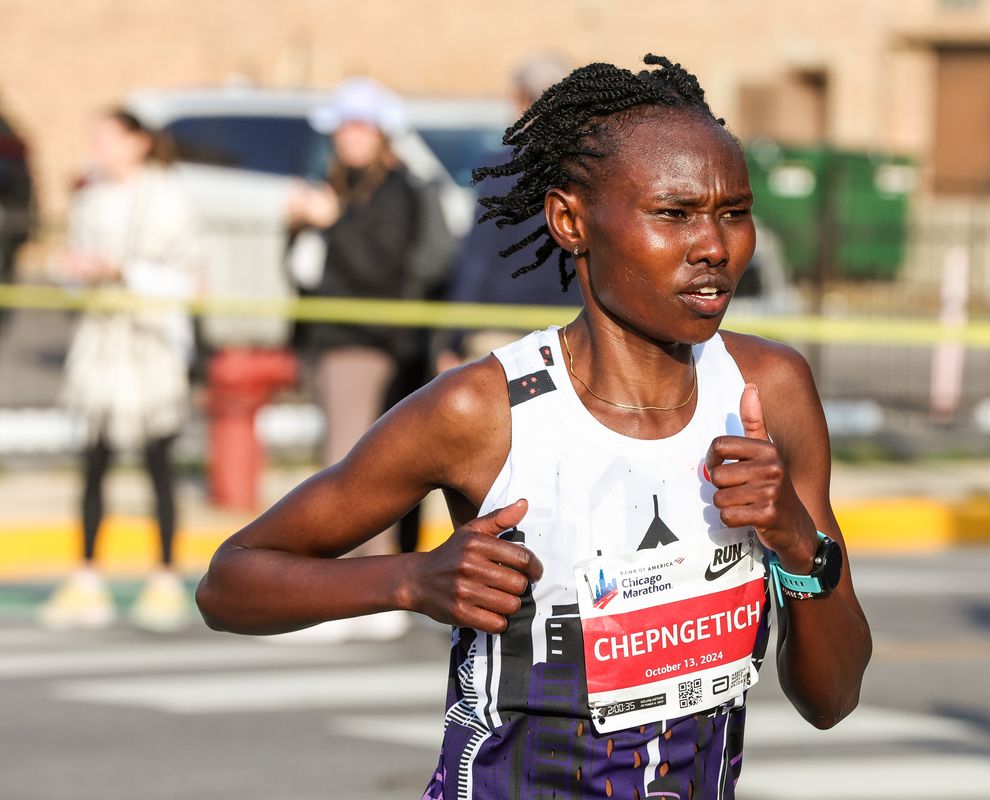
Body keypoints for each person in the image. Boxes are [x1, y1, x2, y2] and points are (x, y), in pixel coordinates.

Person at [197, 55, 871, 797]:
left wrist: (798, 542)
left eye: (733, 213)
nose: (713, 246)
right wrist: (408, 579)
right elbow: (229, 583)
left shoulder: (769, 391)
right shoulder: (483, 412)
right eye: (673, 215)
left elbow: (832, 700)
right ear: (571, 221)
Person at [38, 109, 200, 633]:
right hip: (101, 346)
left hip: (153, 346)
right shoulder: (90, 199)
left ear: (137, 142)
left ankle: (165, 577)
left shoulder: (170, 197)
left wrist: (125, 271)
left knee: (158, 461)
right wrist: (73, 272)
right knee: (94, 459)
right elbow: (71, 274)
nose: (97, 146)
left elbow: (190, 279)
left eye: (106, 135)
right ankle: (86, 577)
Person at [283, 78, 426, 642]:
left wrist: (330, 221)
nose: (348, 137)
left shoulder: (397, 190)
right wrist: (300, 226)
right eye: (342, 128)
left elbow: (379, 268)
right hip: (329, 337)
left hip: (365, 340)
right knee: (356, 465)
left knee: (345, 466)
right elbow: (307, 272)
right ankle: (375, 595)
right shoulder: (339, 184)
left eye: (359, 126)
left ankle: (341, 598)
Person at [436, 53, 575, 373]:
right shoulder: (591, 170)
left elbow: (478, 259)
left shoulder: (502, 170)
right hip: (573, 333)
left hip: (501, 332)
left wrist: (452, 338)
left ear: (521, 100)